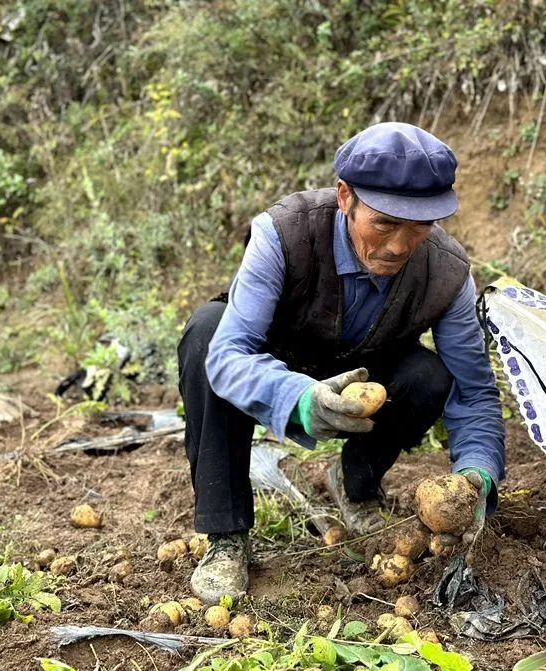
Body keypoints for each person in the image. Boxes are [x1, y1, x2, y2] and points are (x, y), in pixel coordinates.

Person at [177, 122, 506, 604]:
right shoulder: (284, 232)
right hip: (276, 360)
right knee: (207, 334)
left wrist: (477, 475)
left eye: (419, 226)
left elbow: (472, 390)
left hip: (367, 366)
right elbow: (231, 355)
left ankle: (356, 485)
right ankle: (226, 537)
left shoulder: (447, 271)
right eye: (385, 224)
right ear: (344, 195)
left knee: (429, 374)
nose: (399, 245)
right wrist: (298, 396)